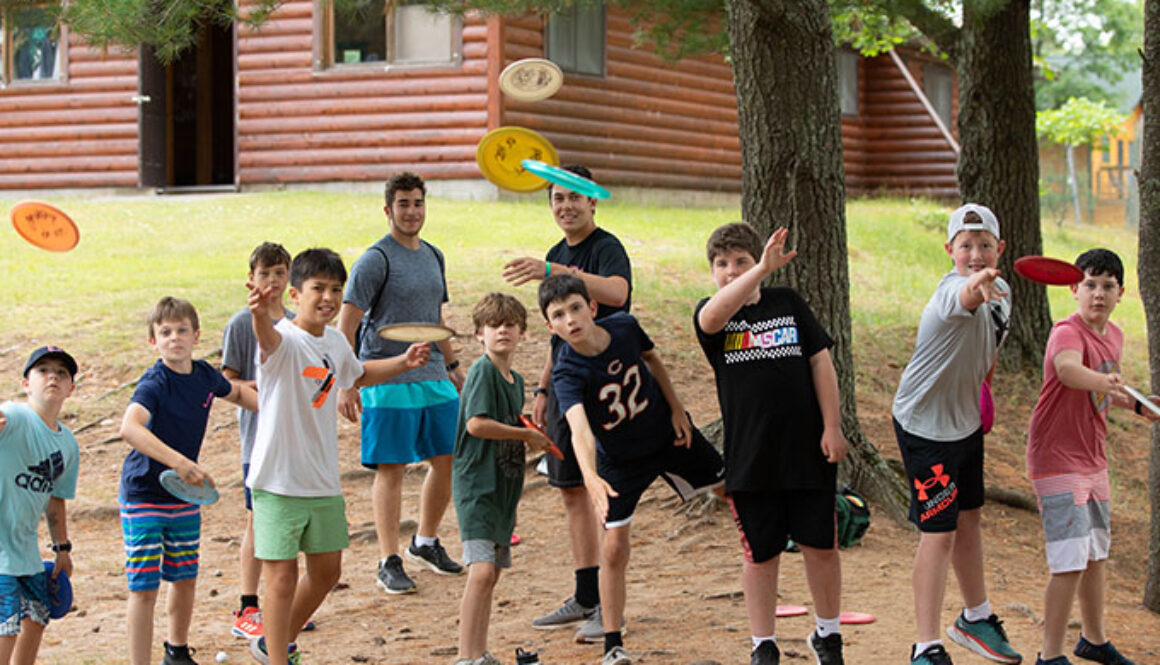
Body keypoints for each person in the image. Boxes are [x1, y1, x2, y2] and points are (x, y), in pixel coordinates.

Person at [247, 248, 431, 665]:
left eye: (335, 289)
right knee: (280, 578)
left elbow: (357, 374)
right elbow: (267, 339)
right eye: (318, 288)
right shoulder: (282, 340)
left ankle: (273, 643)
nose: (328, 297)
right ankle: (278, 658)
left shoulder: (333, 341)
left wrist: (403, 361)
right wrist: (259, 313)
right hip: (277, 481)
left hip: (321, 480)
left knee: (328, 572)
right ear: (295, 294)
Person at [538, 273, 725, 665]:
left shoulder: (623, 326)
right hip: (620, 461)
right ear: (550, 325)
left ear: (592, 308)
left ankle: (767, 550)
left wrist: (677, 409)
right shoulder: (566, 371)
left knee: (729, 488)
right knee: (614, 547)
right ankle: (612, 642)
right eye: (559, 315)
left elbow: (652, 359)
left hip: (667, 435)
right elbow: (580, 431)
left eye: (575, 308)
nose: (570, 319)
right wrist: (590, 477)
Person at [693, 223, 849, 665]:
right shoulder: (714, 316)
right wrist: (759, 268)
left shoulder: (789, 304)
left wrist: (833, 427)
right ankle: (763, 643)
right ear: (712, 273)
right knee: (761, 554)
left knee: (821, 546)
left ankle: (828, 634)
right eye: (721, 264)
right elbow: (710, 318)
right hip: (751, 456)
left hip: (807, 451)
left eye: (741, 260)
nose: (731, 270)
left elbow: (821, 363)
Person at [503, 164, 632, 642]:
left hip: (604, 384)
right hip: (564, 383)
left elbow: (617, 293)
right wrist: (541, 389)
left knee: (605, 493)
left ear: (593, 201)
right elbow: (556, 331)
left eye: (575, 197)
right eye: (557, 198)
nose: (566, 206)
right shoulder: (555, 252)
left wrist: (553, 271)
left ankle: (608, 604)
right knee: (571, 489)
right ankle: (585, 596)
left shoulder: (606, 248)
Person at [891, 204, 1020, 665]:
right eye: (965, 245)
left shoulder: (1002, 291)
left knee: (970, 519)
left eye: (985, 244)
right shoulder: (952, 292)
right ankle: (925, 646)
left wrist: (981, 392)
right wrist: (975, 284)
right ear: (950, 251)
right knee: (939, 532)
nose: (976, 253)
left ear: (999, 248)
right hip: (925, 426)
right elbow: (967, 297)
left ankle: (975, 617)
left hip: (963, 423)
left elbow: (989, 348)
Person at [1025, 249, 1158, 665]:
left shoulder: (1114, 335)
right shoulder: (1067, 332)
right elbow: (1068, 371)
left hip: (1092, 460)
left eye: (1107, 286)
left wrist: (1137, 404)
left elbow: (1102, 391)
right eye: (1090, 285)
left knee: (1095, 553)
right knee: (1068, 560)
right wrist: (1104, 379)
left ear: (1121, 293)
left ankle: (1094, 641)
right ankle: (1050, 655)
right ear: (1073, 289)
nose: (1097, 294)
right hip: (1056, 458)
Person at [337, 172, 466, 595]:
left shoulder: (434, 255)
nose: (412, 212)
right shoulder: (376, 260)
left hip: (432, 376)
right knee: (391, 468)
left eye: (418, 203)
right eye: (404, 204)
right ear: (388, 209)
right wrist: (347, 381)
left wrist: (453, 365)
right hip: (386, 375)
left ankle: (425, 542)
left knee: (445, 459)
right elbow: (348, 323)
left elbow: (435, 318)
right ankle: (388, 559)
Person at [118, 298, 258, 665]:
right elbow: (129, 427)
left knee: (184, 576)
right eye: (165, 332)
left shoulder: (203, 375)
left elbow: (240, 393)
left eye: (182, 330)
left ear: (196, 335)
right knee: (144, 587)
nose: (174, 338)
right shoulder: (155, 382)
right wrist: (180, 463)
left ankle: (176, 652)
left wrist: (281, 404)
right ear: (154, 341)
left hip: (183, 495)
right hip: (144, 494)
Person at [451, 293, 553, 665]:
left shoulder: (516, 379)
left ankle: (479, 652)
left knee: (491, 573)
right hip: (476, 485)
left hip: (503, 488)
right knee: (480, 571)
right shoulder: (482, 371)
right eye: (494, 326)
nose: (503, 331)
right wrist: (524, 436)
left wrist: (528, 432)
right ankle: (465, 656)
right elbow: (476, 424)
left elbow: (506, 424)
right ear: (480, 334)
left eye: (510, 325)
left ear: (523, 333)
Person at [220, 242, 298, 640]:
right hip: (259, 444)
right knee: (258, 520)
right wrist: (260, 387)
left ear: (289, 279)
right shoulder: (240, 324)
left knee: (286, 524)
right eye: (264, 273)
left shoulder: (299, 324)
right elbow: (226, 381)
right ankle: (248, 605)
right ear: (250, 279)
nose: (271, 281)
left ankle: (279, 606)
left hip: (297, 444)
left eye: (279, 273)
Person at [0, 347, 80, 665]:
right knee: (5, 629)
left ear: (71, 388)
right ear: (26, 384)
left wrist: (62, 548)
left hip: (27, 553)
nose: (53, 377)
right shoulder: (15, 417)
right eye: (43, 370)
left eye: (61, 373)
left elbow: (55, 497)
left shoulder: (67, 443)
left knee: (36, 621)